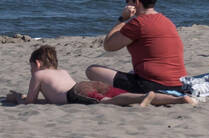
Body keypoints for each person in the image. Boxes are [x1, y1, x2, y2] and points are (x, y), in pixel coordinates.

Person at [85, 0, 188, 95]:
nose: (127, 1)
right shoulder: (166, 21)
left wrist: (122, 19)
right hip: (179, 84)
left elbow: (109, 45)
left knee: (92, 70)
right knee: (131, 72)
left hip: (153, 85)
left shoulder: (138, 23)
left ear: (136, 3)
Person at [5, 46, 191, 107]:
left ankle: (144, 96)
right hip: (87, 84)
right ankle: (179, 99)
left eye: (31, 68)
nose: (32, 71)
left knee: (110, 101)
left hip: (77, 93)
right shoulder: (62, 72)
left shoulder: (39, 75)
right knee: (115, 92)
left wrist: (16, 97)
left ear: (37, 64)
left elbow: (30, 101)